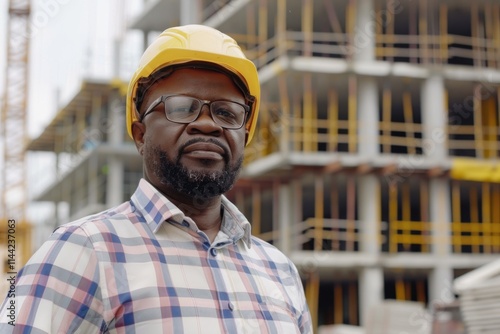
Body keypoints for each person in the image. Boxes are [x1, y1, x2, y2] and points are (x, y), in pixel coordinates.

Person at [0, 25, 312, 333]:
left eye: (227, 112)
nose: (207, 124)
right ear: (140, 135)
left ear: (244, 135)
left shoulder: (279, 271)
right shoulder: (83, 252)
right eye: (181, 107)